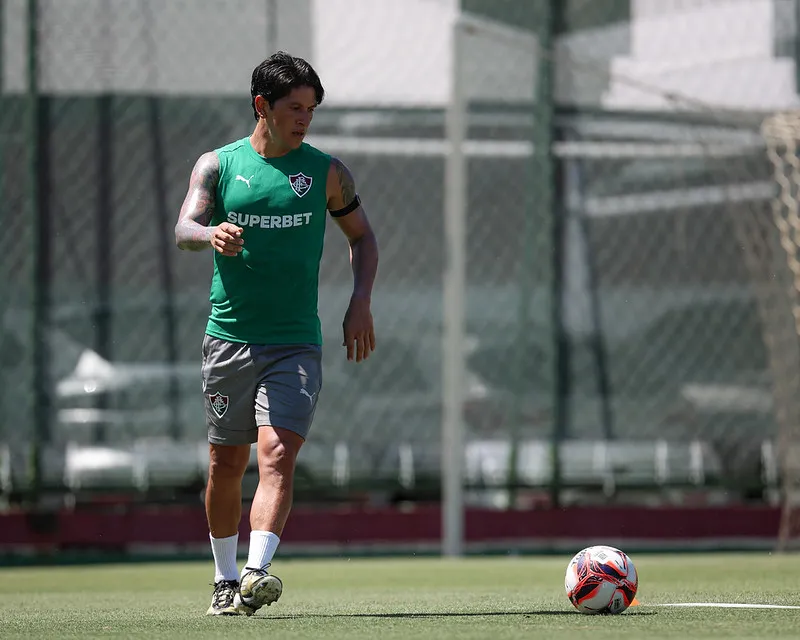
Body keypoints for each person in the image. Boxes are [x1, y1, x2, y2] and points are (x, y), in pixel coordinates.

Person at [174, 51, 378, 616]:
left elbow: (362, 237)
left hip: (294, 342)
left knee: (279, 452)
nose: (305, 119)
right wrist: (210, 232)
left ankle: (256, 573)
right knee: (225, 463)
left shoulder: (328, 173)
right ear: (261, 106)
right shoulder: (218, 166)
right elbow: (183, 226)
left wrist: (359, 301)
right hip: (230, 340)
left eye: (311, 109)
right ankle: (223, 576)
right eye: (294, 108)